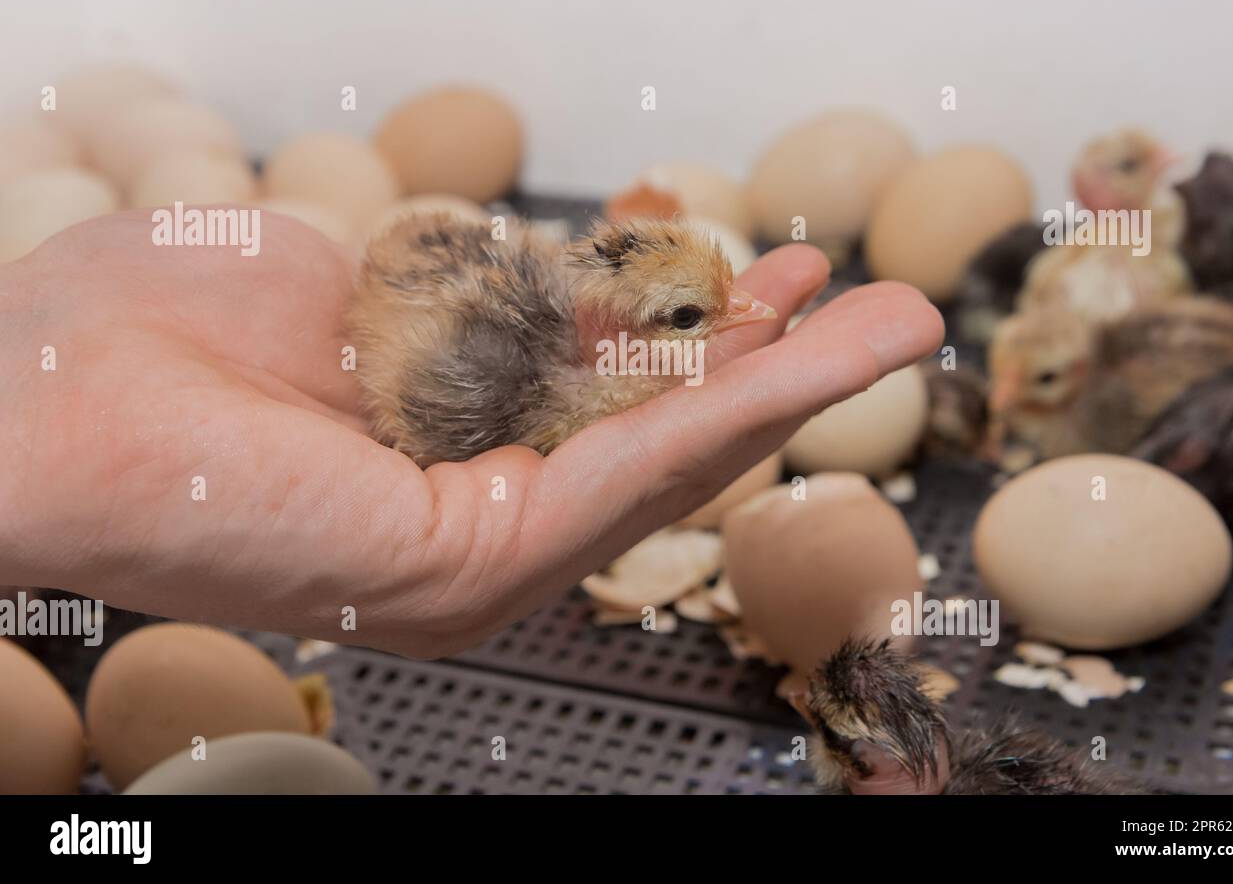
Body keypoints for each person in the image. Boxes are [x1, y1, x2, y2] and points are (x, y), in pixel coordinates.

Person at [0, 209, 943, 658]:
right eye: (693, 322)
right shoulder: (495, 386)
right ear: (614, 334)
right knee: (471, 393)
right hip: (453, 342)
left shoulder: (577, 333)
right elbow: (436, 375)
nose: (731, 320)